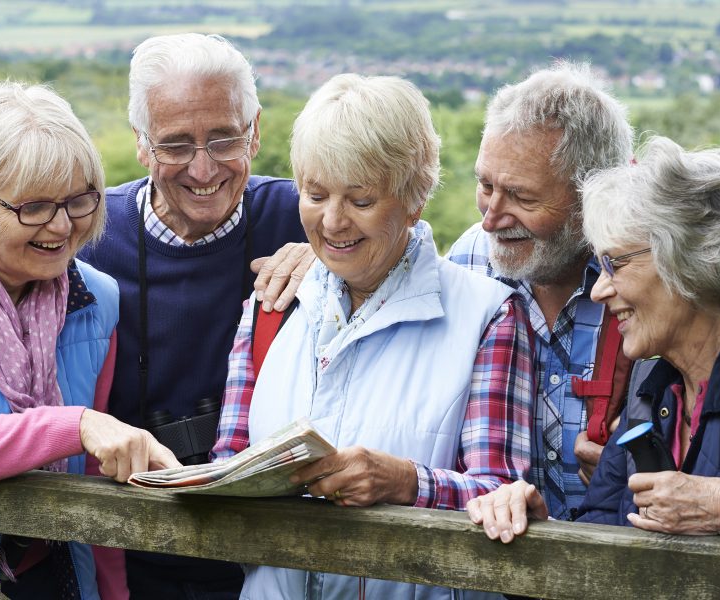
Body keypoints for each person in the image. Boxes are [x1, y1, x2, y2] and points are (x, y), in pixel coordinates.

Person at [212, 73, 535, 599]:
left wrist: (407, 482)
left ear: (414, 198)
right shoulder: (270, 308)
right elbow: (229, 463)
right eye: (315, 195)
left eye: (360, 200)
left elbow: (502, 498)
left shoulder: (488, 317)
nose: (333, 221)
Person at [77, 33, 308, 598]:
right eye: (176, 145)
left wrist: (327, 257)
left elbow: (407, 245)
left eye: (224, 138)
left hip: (272, 561)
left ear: (255, 131)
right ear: (140, 144)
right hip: (124, 556)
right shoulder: (88, 235)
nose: (203, 169)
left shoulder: (306, 217)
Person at [469, 136, 720, 544]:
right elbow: (603, 538)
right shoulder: (654, 393)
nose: (599, 290)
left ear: (691, 259)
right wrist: (536, 529)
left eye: (616, 264)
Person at [0, 82, 180, 599]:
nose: (62, 225)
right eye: (35, 206)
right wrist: (74, 424)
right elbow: (81, 433)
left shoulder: (97, 299)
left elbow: (93, 477)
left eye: (79, 199)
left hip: (54, 572)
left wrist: (110, 594)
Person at [449, 61, 634, 534]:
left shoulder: (647, 279)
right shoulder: (469, 259)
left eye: (522, 198)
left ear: (593, 196)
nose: (491, 218)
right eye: (485, 185)